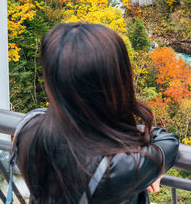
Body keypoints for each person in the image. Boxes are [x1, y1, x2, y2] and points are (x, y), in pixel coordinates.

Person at [11, 23, 179, 204]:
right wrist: (149, 172)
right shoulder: (115, 168)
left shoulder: (28, 129)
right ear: (115, 80)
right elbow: (168, 144)